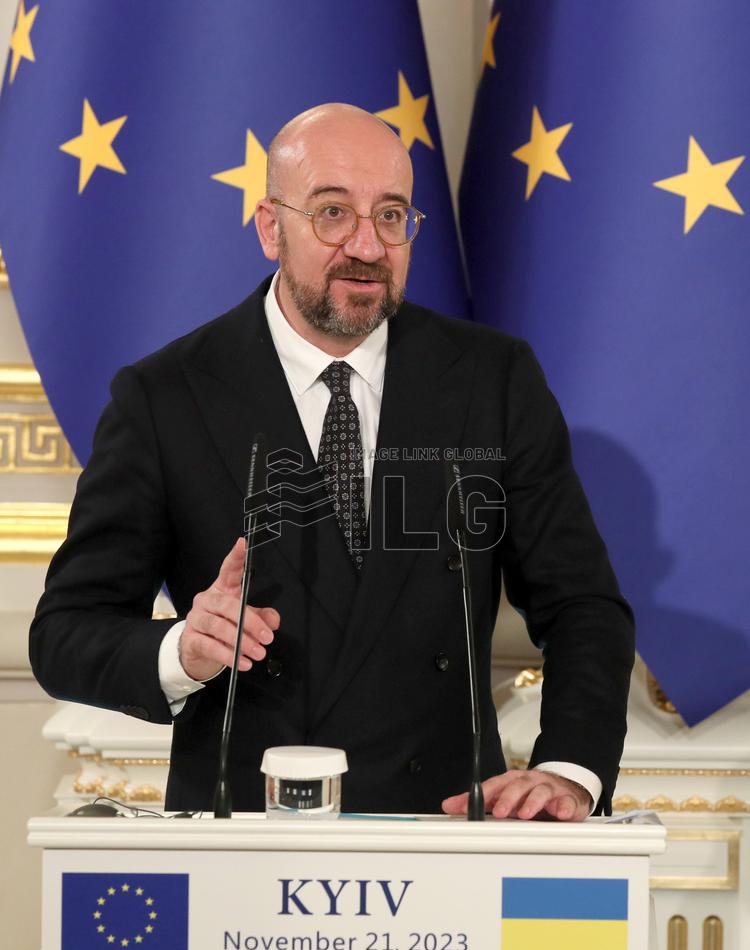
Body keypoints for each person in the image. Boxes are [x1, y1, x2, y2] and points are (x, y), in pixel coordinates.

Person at [30, 104, 634, 821]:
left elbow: (583, 606)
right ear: (269, 227)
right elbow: (64, 633)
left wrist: (567, 771)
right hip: (240, 836)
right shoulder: (166, 396)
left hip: (442, 833)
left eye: (391, 216)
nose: (368, 246)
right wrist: (182, 651)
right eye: (332, 213)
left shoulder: (491, 380)